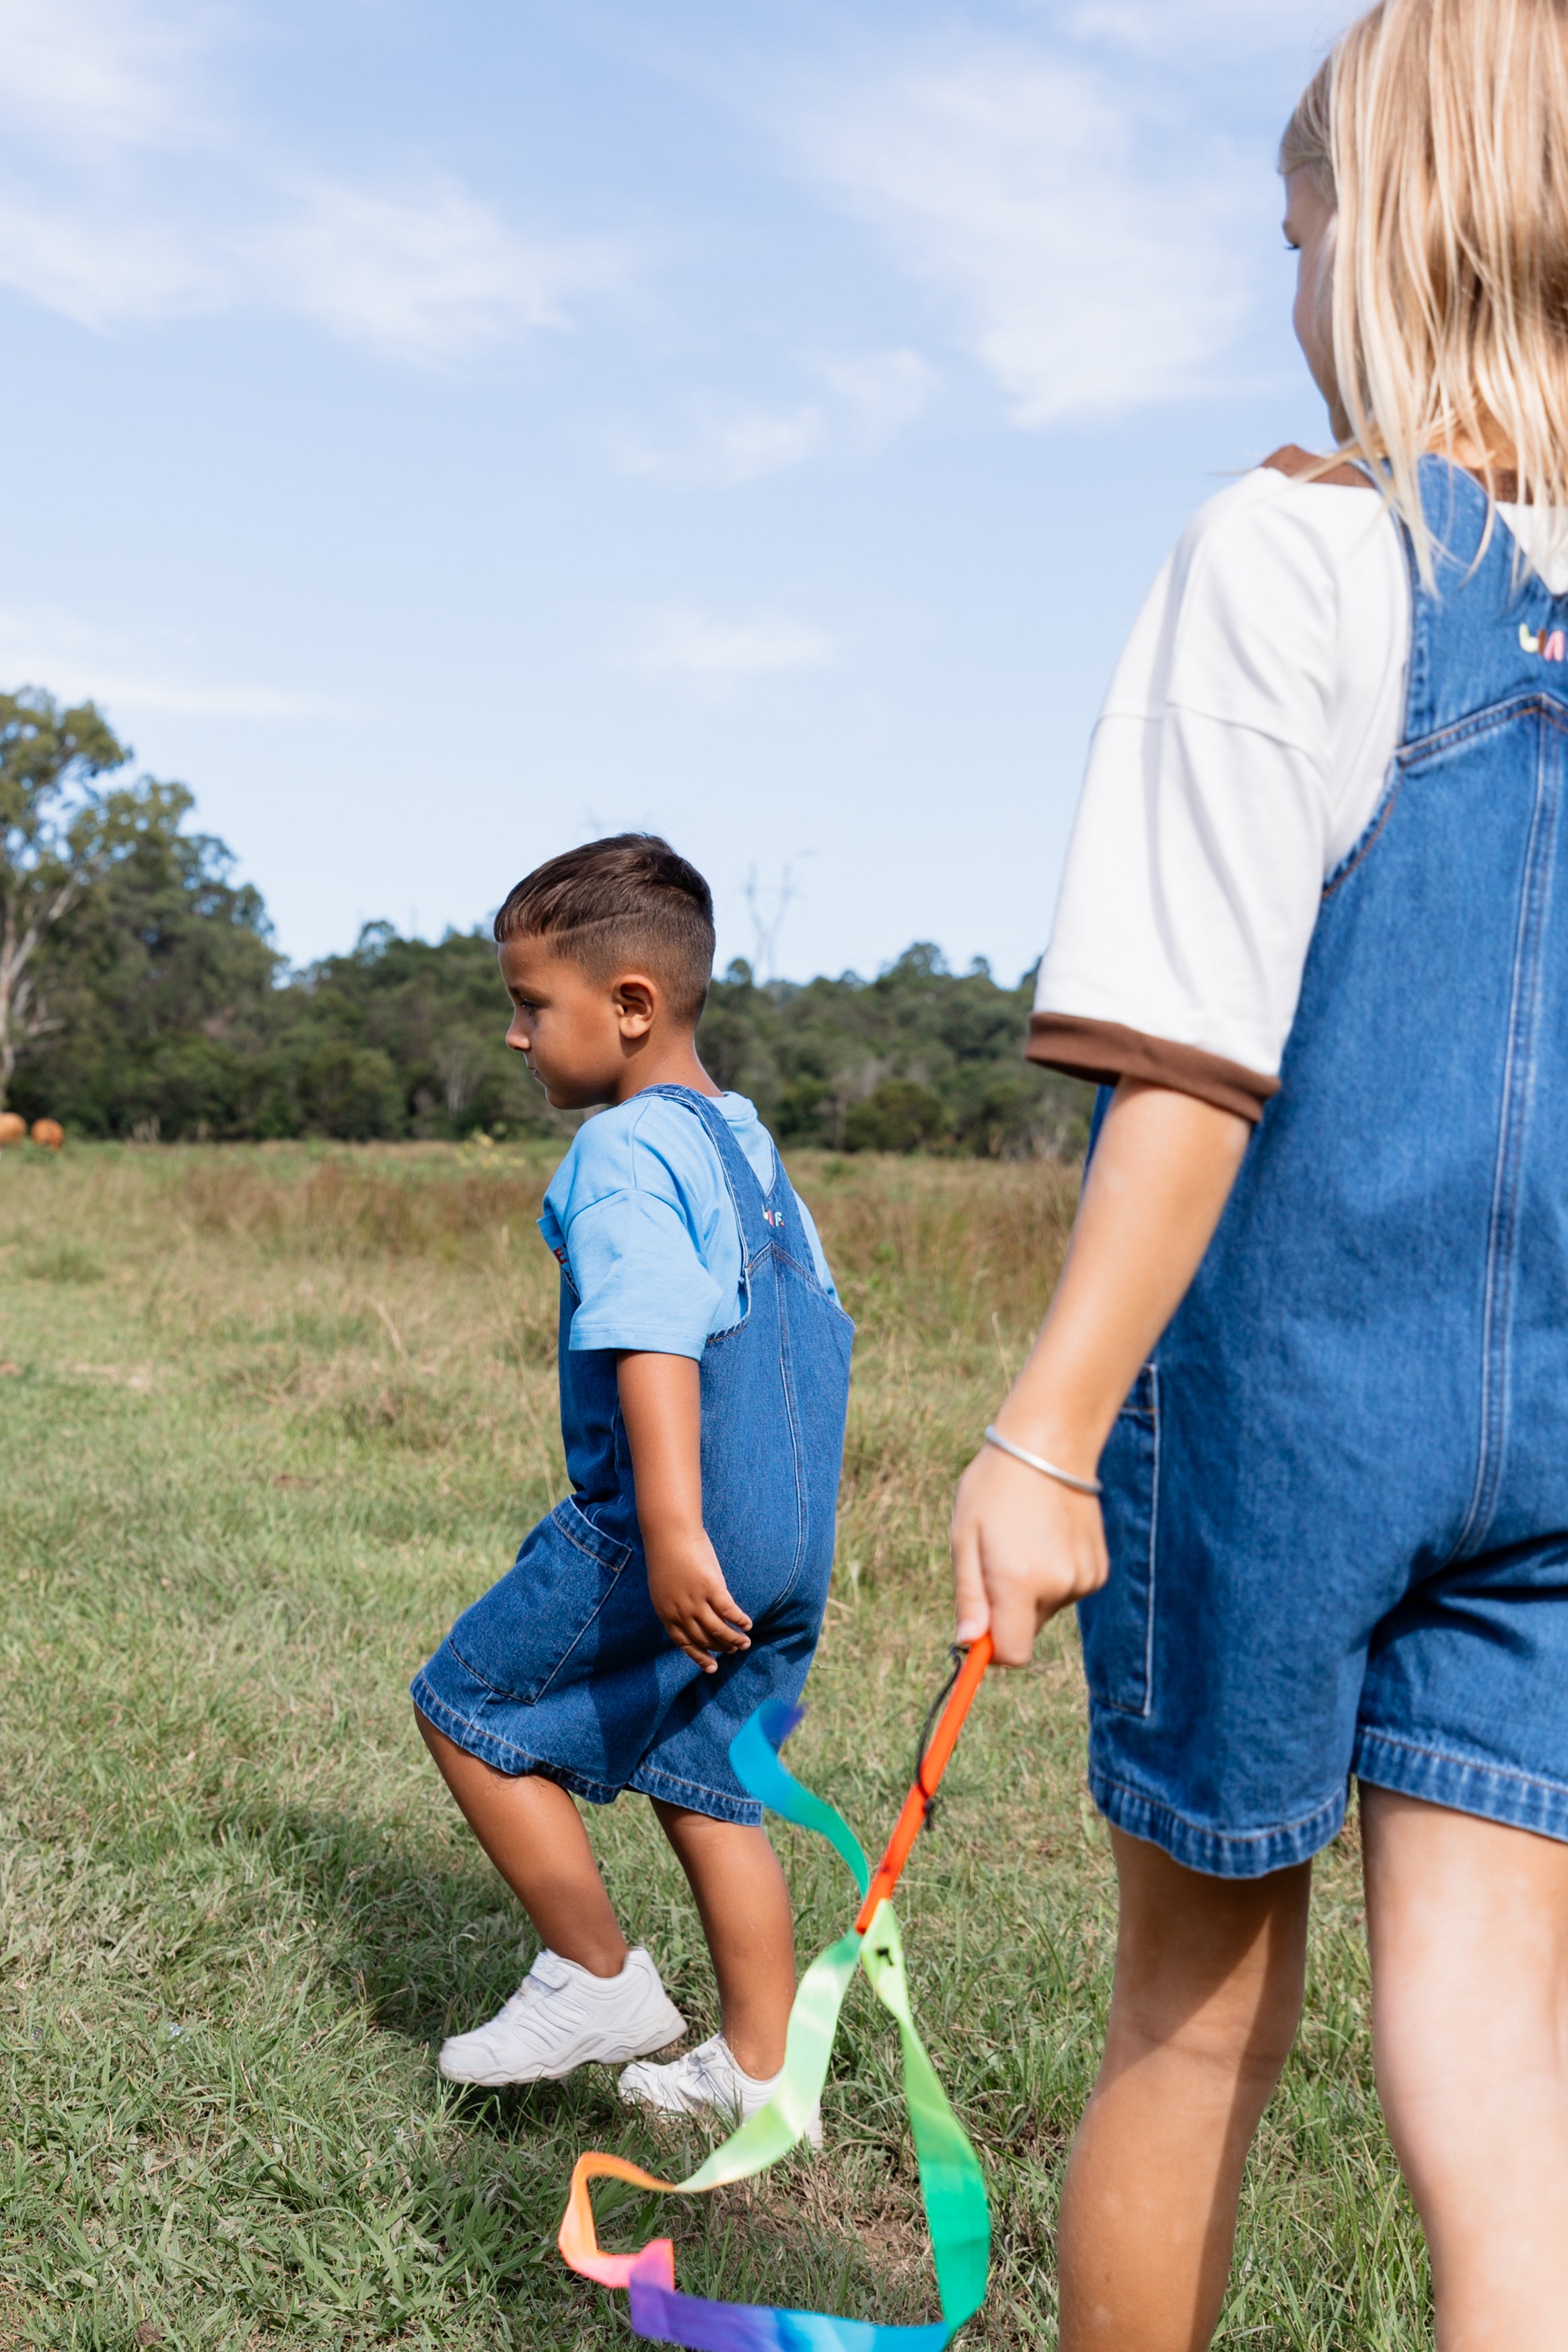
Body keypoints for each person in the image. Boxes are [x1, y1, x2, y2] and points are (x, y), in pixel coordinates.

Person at [950, 4, 1568, 2346]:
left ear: (1387, 223)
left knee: (1193, 2007)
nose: (1287, 276)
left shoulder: (1297, 553)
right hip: (1560, 1431)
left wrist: (1045, 1430)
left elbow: (1189, 1071)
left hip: (1293, 1409)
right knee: (1506, 2058)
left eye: (1294, 224)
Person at [413, 834, 852, 2132]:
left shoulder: (621, 1153)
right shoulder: (748, 1150)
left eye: (529, 1004)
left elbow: (653, 1331)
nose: (515, 1034)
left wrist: (667, 1528)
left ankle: (594, 1975)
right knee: (708, 1776)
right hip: (788, 1535)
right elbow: (811, 1334)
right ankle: (761, 2079)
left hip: (674, 1524)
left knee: (466, 1703)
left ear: (631, 1006)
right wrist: (770, 1532)